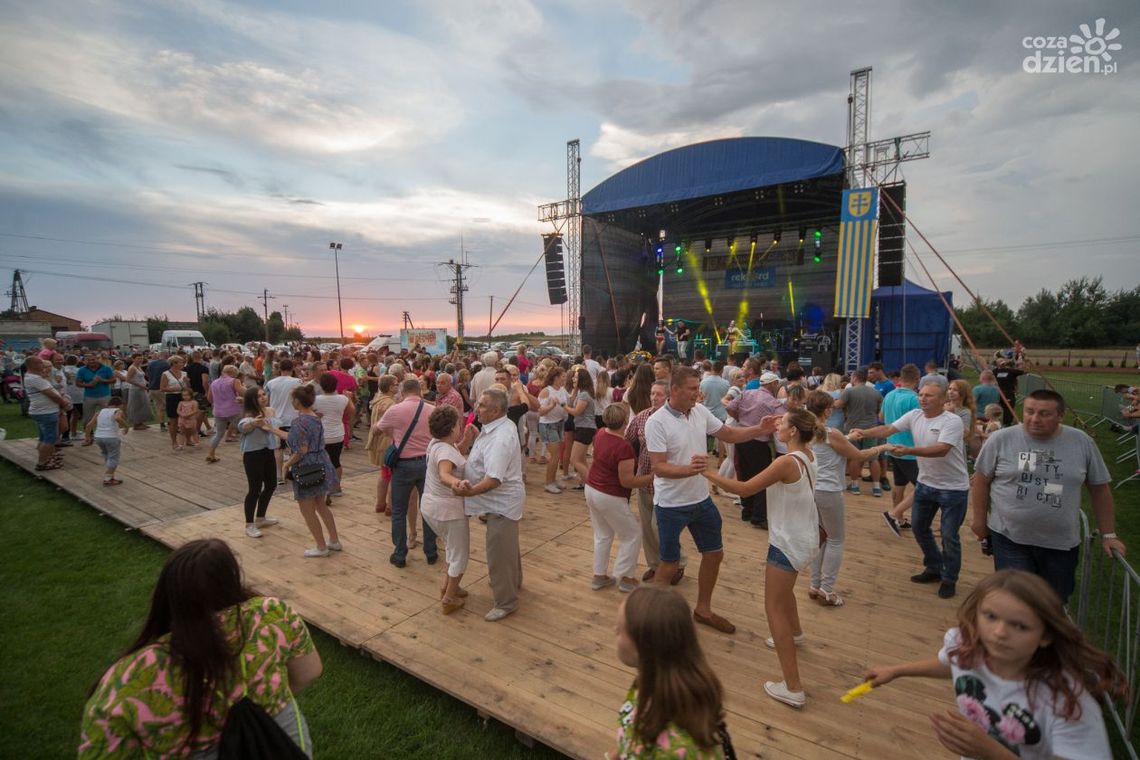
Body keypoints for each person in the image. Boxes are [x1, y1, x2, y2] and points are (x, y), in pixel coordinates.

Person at [79, 539, 323, 758]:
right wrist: (266, 696)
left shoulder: (131, 678)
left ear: (169, 592)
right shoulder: (271, 613)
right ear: (233, 578)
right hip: (278, 739)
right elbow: (308, 672)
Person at [864, 570, 1124, 760]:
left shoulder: (1066, 700)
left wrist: (991, 752)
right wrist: (896, 672)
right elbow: (951, 664)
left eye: (1019, 626)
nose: (999, 632)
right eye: (990, 616)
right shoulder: (968, 646)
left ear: (1046, 636)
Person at [704, 409, 823, 707]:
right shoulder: (808, 454)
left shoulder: (785, 462)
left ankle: (793, 687)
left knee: (773, 608)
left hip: (787, 542)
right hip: (802, 537)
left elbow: (745, 488)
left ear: (794, 431)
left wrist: (704, 472)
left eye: (783, 423)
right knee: (784, 595)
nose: (777, 426)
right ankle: (795, 633)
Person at [645, 366, 774, 634]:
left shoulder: (699, 412)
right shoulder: (656, 422)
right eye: (693, 389)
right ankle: (650, 619)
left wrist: (757, 429)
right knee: (668, 564)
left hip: (700, 500)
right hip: (671, 505)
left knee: (714, 554)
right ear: (675, 390)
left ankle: (703, 609)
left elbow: (728, 435)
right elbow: (657, 467)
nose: (698, 394)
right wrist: (690, 470)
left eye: (698, 388)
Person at [970, 389, 1123, 604]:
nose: (1034, 419)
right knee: (1015, 601)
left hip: (1059, 544)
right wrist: (979, 521)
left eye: (1044, 414)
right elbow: (981, 480)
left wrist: (1109, 535)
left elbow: (1100, 489)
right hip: (1010, 537)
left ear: (1061, 416)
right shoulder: (1001, 439)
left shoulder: (1082, 442)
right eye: (1029, 411)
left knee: (1052, 604)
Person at [851, 375, 969, 599]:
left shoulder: (951, 421)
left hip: (953, 488)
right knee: (918, 527)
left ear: (943, 398)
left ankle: (949, 578)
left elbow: (942, 449)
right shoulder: (915, 415)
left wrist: (908, 451)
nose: (923, 399)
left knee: (949, 535)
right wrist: (864, 433)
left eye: (929, 396)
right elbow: (887, 429)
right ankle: (934, 567)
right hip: (926, 483)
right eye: (921, 395)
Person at [609, 587, 727, 760]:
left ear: (643, 648)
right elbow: (632, 729)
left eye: (620, 629)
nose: (614, 630)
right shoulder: (650, 679)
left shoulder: (675, 748)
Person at [803, 391, 893, 607]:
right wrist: (883, 447)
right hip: (829, 490)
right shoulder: (829, 432)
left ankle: (815, 585)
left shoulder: (808, 431)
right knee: (835, 539)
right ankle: (827, 589)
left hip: (813, 489)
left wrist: (849, 438)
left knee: (821, 537)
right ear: (827, 411)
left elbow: (831, 443)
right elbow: (859, 456)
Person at [453, 388, 525, 622]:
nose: (477, 408)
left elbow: (494, 478)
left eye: (482, 405)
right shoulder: (497, 427)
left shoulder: (501, 436)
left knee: (498, 552)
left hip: (501, 503)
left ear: (496, 411)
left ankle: (506, 602)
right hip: (500, 502)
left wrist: (469, 492)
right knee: (507, 547)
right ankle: (513, 582)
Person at [586, 404, 650, 593]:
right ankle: (626, 578)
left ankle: (599, 576)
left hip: (591, 489)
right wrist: (652, 476)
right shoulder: (623, 447)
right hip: (609, 495)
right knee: (632, 534)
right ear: (625, 422)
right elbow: (627, 481)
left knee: (603, 534)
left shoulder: (600, 434)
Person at [422, 405, 476, 614]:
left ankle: (449, 586)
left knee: (452, 549)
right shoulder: (445, 451)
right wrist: (456, 483)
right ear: (453, 427)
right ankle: (449, 598)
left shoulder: (438, 444)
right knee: (459, 554)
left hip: (431, 506)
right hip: (447, 510)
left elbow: (455, 453)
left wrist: (467, 439)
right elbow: (445, 472)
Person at [377, 378, 437, 568]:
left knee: (399, 510)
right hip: (426, 463)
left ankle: (400, 553)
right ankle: (431, 551)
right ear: (420, 391)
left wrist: (384, 422)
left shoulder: (395, 410)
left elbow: (377, 430)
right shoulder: (431, 410)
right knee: (427, 509)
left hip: (403, 465)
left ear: (402, 392)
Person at [283, 385, 341, 558]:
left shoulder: (299, 422)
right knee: (321, 504)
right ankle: (334, 540)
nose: (291, 401)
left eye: (292, 399)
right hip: (321, 461)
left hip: (307, 466)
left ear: (298, 401)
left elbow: (301, 450)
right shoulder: (314, 416)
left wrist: (286, 465)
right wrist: (271, 429)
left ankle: (321, 546)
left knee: (307, 509)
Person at [725, 370, 784, 528]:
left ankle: (747, 510)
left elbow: (729, 407)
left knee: (744, 475)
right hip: (758, 442)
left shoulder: (746, 393)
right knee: (762, 478)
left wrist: (740, 419)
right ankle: (758, 516)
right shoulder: (773, 402)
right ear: (773, 384)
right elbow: (783, 420)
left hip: (741, 437)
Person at [237, 386, 284, 539]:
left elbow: (274, 426)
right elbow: (243, 427)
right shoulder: (250, 415)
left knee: (271, 485)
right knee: (255, 489)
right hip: (252, 455)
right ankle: (249, 525)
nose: (264, 397)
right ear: (252, 400)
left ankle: (261, 518)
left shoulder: (269, 411)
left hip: (268, 451)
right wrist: (253, 424)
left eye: (264, 394)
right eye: (259, 396)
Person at [881, 363, 922, 536]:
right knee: (924, 487)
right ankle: (896, 514)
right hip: (910, 450)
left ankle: (898, 518)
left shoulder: (889, 395)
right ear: (917, 380)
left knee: (899, 485)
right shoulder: (915, 398)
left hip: (892, 446)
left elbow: (881, 417)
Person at [835, 368, 884, 496]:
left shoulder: (849, 391)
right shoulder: (876, 393)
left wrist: (827, 398)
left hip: (853, 429)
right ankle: (877, 487)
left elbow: (838, 405)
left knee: (854, 457)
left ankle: (855, 485)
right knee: (873, 458)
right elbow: (879, 411)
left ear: (855, 378)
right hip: (871, 428)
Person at [23, 356, 72, 471]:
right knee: (50, 438)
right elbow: (52, 395)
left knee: (44, 437)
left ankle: (46, 458)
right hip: (46, 412)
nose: (42, 365)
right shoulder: (35, 378)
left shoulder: (34, 377)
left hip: (44, 411)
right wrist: (64, 403)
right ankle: (42, 463)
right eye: (40, 363)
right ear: (32, 365)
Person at [313, 373, 354, 504]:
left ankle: (322, 488)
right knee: (335, 461)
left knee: (321, 462)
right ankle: (336, 488)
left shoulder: (316, 399)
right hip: (337, 434)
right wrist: (349, 398)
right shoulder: (343, 398)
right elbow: (351, 411)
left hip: (322, 434)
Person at [366, 375, 399, 513]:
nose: (398, 386)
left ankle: (380, 503)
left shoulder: (377, 401)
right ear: (391, 387)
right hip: (387, 443)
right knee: (393, 476)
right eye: (396, 384)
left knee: (384, 474)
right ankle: (391, 506)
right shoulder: (391, 404)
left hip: (377, 442)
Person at [85, 395, 130, 486]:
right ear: (119, 405)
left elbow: (89, 425)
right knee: (113, 457)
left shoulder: (99, 412)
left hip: (99, 437)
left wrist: (87, 437)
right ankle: (107, 479)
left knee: (107, 456)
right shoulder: (117, 411)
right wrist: (126, 426)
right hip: (111, 437)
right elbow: (117, 418)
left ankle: (111, 476)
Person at [537, 367, 569, 493]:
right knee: (555, 456)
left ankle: (553, 480)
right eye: (563, 377)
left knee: (556, 455)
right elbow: (540, 412)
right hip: (548, 425)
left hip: (559, 423)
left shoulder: (562, 389)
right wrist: (552, 405)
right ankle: (548, 483)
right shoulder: (546, 391)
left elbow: (570, 400)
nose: (564, 379)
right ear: (556, 377)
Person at [565, 367, 598, 484]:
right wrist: (574, 391)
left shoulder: (584, 395)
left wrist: (563, 406)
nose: (573, 378)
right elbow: (571, 403)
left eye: (576, 377)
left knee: (574, 459)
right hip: (582, 428)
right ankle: (585, 483)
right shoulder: (581, 393)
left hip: (585, 429)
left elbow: (576, 412)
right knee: (582, 459)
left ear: (581, 379)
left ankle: (591, 484)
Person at [205, 365, 243, 463]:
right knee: (244, 432)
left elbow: (209, 398)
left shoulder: (214, 382)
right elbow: (243, 392)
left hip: (218, 411)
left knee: (219, 434)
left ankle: (211, 453)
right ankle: (247, 455)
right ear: (234, 373)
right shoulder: (234, 381)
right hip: (233, 411)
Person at [76, 353, 115, 437]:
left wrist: (102, 380)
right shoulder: (82, 370)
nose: (91, 361)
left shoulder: (106, 368)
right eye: (88, 360)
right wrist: (88, 385)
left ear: (98, 359)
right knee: (87, 418)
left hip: (105, 396)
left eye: (93, 359)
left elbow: (113, 380)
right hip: (89, 397)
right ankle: (89, 436)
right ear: (86, 360)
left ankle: (107, 435)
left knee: (107, 416)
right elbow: (78, 383)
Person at [159, 355, 189, 452]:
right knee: (174, 421)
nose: (183, 364)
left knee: (186, 419)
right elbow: (162, 388)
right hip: (172, 397)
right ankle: (174, 442)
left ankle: (187, 439)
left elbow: (188, 387)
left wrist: (187, 383)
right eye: (181, 362)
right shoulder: (166, 374)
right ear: (174, 363)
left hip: (183, 397)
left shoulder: (184, 373)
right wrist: (176, 388)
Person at [993, 358, 1025, 426]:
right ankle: (1007, 424)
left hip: (997, 393)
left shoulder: (994, 371)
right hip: (1008, 393)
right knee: (1008, 409)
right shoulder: (1011, 371)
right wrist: (1021, 364)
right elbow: (1023, 371)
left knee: (995, 409)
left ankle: (995, 423)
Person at [123, 353, 152, 430]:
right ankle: (136, 424)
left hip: (142, 389)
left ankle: (141, 422)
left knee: (142, 405)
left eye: (141, 358)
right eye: (138, 358)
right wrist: (140, 385)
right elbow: (128, 379)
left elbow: (142, 377)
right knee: (136, 406)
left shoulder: (138, 367)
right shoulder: (132, 368)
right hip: (135, 390)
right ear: (133, 359)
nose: (140, 360)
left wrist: (147, 382)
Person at [145, 351, 171, 431]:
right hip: (162, 388)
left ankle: (162, 425)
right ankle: (171, 423)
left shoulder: (151, 364)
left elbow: (147, 374)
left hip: (152, 388)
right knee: (169, 406)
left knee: (159, 407)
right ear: (166, 356)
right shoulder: (167, 364)